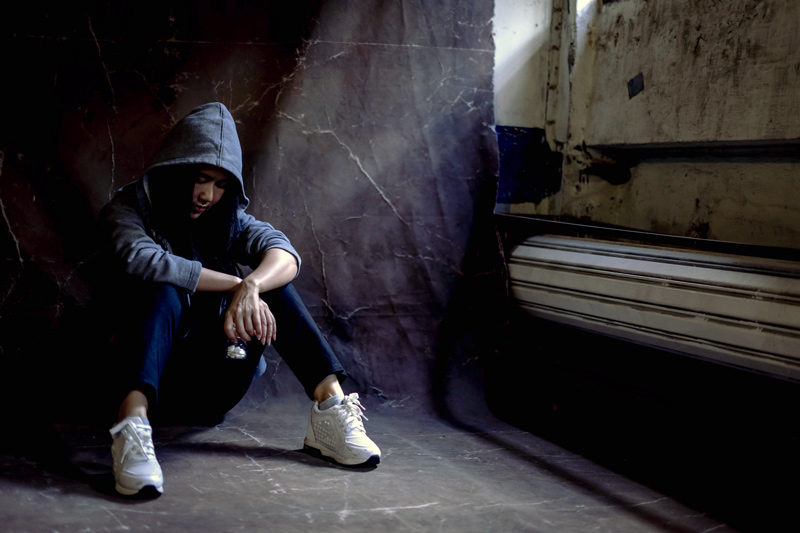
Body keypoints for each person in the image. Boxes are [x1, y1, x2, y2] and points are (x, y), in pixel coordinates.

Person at [99, 102, 380, 497]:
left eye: (220, 185)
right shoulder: (126, 210)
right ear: (174, 168)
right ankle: (132, 430)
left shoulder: (224, 219)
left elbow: (284, 252)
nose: (207, 195)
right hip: (146, 379)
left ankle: (330, 409)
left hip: (214, 383)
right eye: (199, 179)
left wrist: (250, 286)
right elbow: (144, 260)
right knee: (164, 287)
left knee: (272, 284)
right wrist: (235, 284)